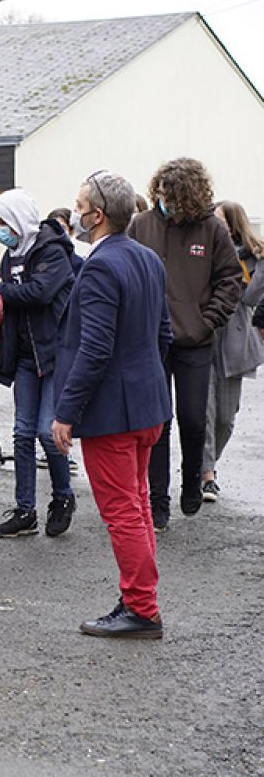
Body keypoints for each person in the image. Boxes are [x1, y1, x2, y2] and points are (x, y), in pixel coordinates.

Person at [53, 170, 171, 639]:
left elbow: (95, 349)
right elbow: (162, 334)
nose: (75, 210)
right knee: (137, 506)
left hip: (114, 413)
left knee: (124, 511)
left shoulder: (102, 265)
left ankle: (141, 608)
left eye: (79, 203)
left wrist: (66, 410)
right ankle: (139, 598)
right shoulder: (148, 259)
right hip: (146, 403)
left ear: (96, 215)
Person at [127, 158, 241, 529]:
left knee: (193, 420)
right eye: (160, 195)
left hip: (194, 342)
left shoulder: (212, 230)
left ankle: (192, 478)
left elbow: (230, 280)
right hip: (150, 342)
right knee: (156, 423)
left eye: (172, 198)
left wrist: (207, 322)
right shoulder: (140, 226)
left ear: (189, 198)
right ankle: (157, 500)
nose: (165, 203)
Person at [0, 189, 78, 538]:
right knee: (22, 434)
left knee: (47, 431)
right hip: (25, 357)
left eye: (3, 221)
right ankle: (25, 510)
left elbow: (39, 293)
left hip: (55, 355)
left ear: (20, 219)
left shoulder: (52, 251)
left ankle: (63, 497)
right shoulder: (11, 256)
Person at [200, 201, 264, 501]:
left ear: (234, 227)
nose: (216, 228)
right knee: (205, 413)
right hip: (203, 339)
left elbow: (249, 299)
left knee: (226, 418)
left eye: (221, 223)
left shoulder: (250, 260)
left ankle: (208, 465)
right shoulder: (204, 253)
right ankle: (206, 475)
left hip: (235, 343)